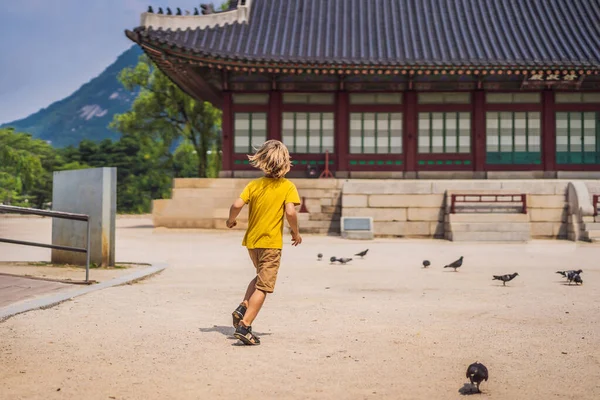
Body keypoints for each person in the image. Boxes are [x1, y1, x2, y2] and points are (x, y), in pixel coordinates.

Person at [226, 140, 302, 345]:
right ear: (286, 163)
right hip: (271, 243)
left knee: (259, 276)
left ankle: (243, 306)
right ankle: (245, 325)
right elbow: (290, 212)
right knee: (264, 287)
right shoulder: (287, 186)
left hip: (252, 242)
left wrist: (231, 220)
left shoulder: (254, 185)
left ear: (262, 161)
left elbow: (236, 204)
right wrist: (295, 232)